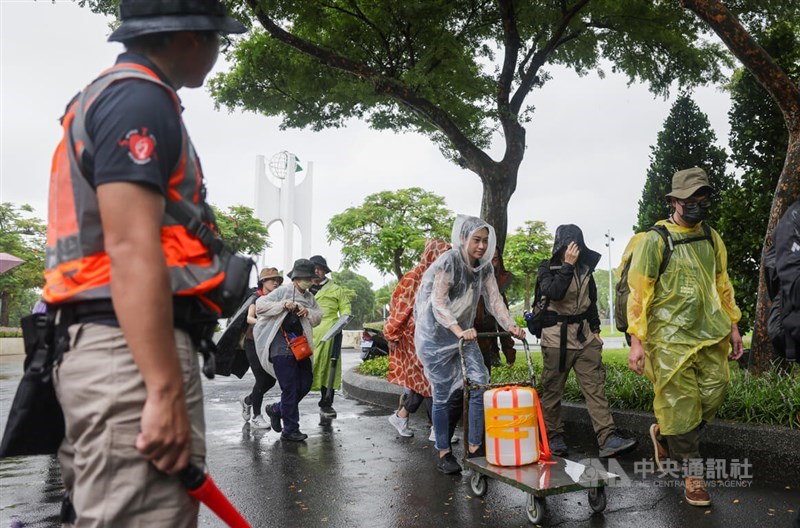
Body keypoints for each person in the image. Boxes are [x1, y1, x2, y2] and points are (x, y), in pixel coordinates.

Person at [41, 1, 246, 525]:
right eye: (218, 39)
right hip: (128, 355)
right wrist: (160, 388)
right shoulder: (139, 100)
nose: (219, 52)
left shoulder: (111, 97)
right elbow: (132, 247)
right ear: (189, 38)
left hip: (110, 344)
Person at [627, 167, 743, 507]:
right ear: (675, 201)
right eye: (690, 198)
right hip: (667, 340)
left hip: (709, 335)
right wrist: (636, 340)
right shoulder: (655, 240)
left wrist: (734, 325)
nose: (697, 204)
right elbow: (639, 293)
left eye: (702, 197)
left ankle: (665, 435)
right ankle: (693, 477)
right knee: (679, 405)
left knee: (714, 393)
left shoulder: (711, 237)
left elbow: (723, 284)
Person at [415, 215, 526, 474]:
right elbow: (438, 303)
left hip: (465, 335)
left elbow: (495, 300)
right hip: (437, 338)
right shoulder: (449, 262)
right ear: (463, 238)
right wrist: (457, 329)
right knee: (442, 395)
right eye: (476, 240)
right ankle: (444, 452)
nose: (481, 246)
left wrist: (511, 326)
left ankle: (475, 446)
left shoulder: (484, 267)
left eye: (485, 241)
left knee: (480, 382)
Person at [536, 225, 637, 459]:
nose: (573, 250)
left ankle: (607, 437)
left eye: (577, 245)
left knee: (595, 388)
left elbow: (591, 303)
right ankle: (553, 435)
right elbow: (555, 292)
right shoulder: (546, 268)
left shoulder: (586, 271)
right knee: (552, 390)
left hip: (585, 339)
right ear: (560, 247)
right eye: (569, 245)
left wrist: (596, 330)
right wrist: (567, 266)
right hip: (556, 339)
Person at [384, 239, 451, 438]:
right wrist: (392, 333)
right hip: (413, 337)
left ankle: (403, 417)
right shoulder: (414, 277)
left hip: (427, 336)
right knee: (430, 380)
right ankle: (436, 429)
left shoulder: (437, 276)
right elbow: (400, 308)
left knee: (424, 382)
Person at [254, 259, 323, 442]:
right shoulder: (283, 291)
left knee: (306, 383)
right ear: (296, 277)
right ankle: (290, 430)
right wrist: (283, 305)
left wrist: (306, 311)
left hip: (300, 346)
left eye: (310, 278)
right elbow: (260, 306)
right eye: (306, 277)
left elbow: (318, 317)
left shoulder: (309, 297)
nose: (309, 281)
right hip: (281, 347)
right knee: (290, 388)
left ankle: (276, 409)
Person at [309, 255, 352, 420]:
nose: (316, 271)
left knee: (329, 368)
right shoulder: (303, 288)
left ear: (325, 271)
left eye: (319, 268)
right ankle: (289, 404)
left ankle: (326, 403)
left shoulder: (336, 289)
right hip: (307, 332)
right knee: (303, 368)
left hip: (330, 333)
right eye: (313, 268)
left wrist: (340, 324)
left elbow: (346, 309)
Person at [239, 267, 283, 429]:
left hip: (270, 342)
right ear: (263, 281)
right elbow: (250, 317)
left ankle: (248, 400)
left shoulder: (277, 298)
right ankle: (257, 416)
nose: (276, 282)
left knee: (271, 380)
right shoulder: (256, 297)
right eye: (272, 279)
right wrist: (262, 324)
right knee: (262, 378)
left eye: (278, 279)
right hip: (253, 342)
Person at [475, 248, 517, 371]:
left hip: (486, 344)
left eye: (494, 259)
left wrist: (509, 353)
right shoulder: (467, 281)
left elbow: (502, 315)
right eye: (486, 260)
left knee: (483, 382)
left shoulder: (497, 286)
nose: (490, 264)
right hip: (463, 340)